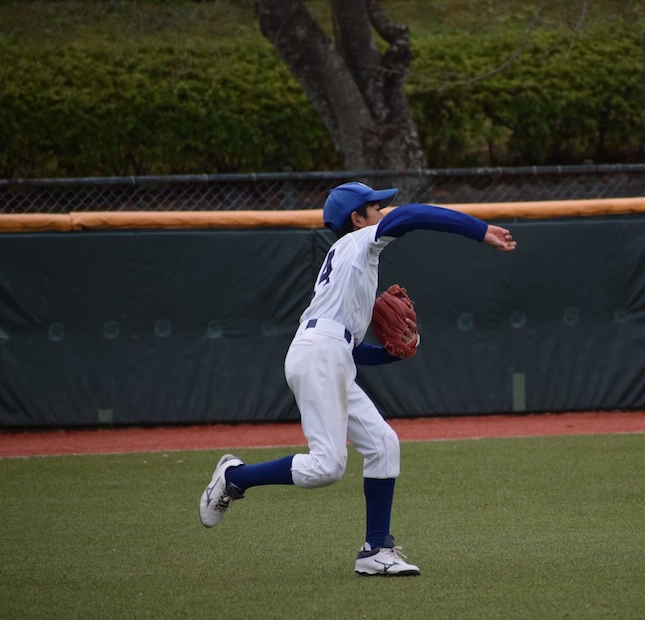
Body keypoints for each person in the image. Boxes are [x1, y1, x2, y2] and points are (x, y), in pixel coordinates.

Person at [199, 182, 517, 576]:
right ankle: (235, 477)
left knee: (383, 444)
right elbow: (412, 215)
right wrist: (480, 230)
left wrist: (392, 352)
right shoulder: (361, 242)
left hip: (326, 351)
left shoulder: (349, 258)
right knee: (327, 467)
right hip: (320, 353)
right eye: (376, 207)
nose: (383, 212)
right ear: (357, 218)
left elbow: (348, 348)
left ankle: (375, 550)